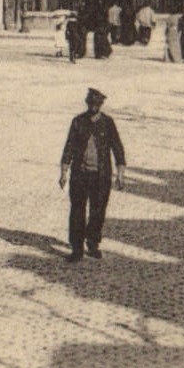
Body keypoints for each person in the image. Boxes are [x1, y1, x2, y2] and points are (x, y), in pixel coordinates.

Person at [59, 88, 126, 262]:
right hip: (79, 175)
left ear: (101, 105)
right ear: (87, 104)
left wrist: (120, 173)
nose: (93, 107)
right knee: (77, 212)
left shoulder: (108, 123)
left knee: (98, 212)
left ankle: (93, 243)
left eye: (97, 105)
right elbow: (69, 147)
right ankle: (77, 248)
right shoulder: (78, 122)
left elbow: (117, 148)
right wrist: (64, 172)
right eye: (91, 104)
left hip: (101, 176)